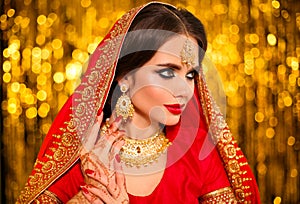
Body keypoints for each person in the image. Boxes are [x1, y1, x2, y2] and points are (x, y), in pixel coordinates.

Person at [17, 2, 260, 203]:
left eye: (190, 75)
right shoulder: (85, 151)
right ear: (124, 76)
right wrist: (86, 197)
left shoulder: (197, 147)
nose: (184, 90)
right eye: (167, 72)